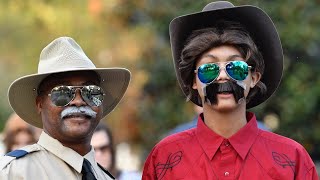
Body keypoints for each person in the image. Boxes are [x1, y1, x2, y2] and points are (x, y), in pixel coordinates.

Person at [142, 1, 318, 179]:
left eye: (235, 67)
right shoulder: (164, 158)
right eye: (209, 68)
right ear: (194, 80)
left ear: (253, 78)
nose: (223, 76)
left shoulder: (293, 158)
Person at [0, 37, 131, 180]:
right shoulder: (14, 173)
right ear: (39, 104)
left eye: (91, 91)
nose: (78, 101)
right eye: (62, 93)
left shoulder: (105, 177)